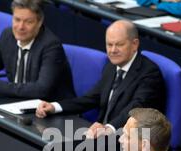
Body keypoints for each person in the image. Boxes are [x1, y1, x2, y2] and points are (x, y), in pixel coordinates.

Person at [36, 20, 166, 138]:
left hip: (130, 142)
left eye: (119, 44)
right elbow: (91, 98)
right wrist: (54, 106)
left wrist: (108, 128)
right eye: (109, 45)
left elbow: (135, 110)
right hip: (103, 138)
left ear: (134, 44)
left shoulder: (149, 73)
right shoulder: (111, 66)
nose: (113, 50)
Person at [0, 0, 75, 100]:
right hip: (18, 103)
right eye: (17, 20)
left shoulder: (51, 46)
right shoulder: (7, 36)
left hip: (58, 114)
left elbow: (41, 90)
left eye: (28, 22)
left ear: (39, 22)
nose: (20, 27)